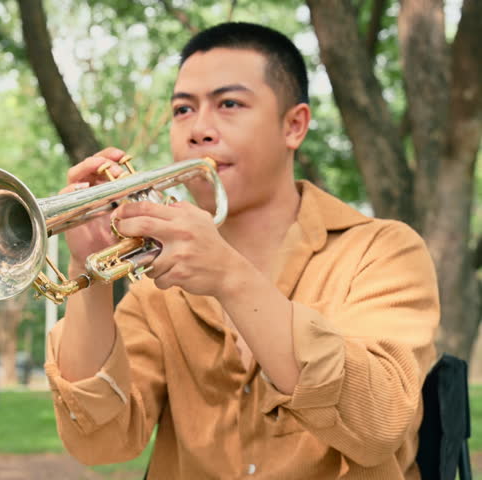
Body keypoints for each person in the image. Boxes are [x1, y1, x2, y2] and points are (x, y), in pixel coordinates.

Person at [44, 22, 439, 479]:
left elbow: (380, 421)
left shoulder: (382, 251)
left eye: (229, 104)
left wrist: (231, 278)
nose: (198, 130)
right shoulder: (157, 283)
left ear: (294, 126)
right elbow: (101, 443)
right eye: (183, 109)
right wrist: (86, 273)